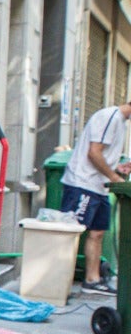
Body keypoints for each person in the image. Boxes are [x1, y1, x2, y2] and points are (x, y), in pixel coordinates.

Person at [60, 99, 131, 295]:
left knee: (97, 233)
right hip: (82, 183)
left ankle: (92, 280)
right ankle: (58, 282)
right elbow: (94, 152)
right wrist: (114, 177)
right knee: (71, 233)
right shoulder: (110, 117)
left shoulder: (121, 122)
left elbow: (102, 156)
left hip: (99, 186)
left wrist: (117, 168)